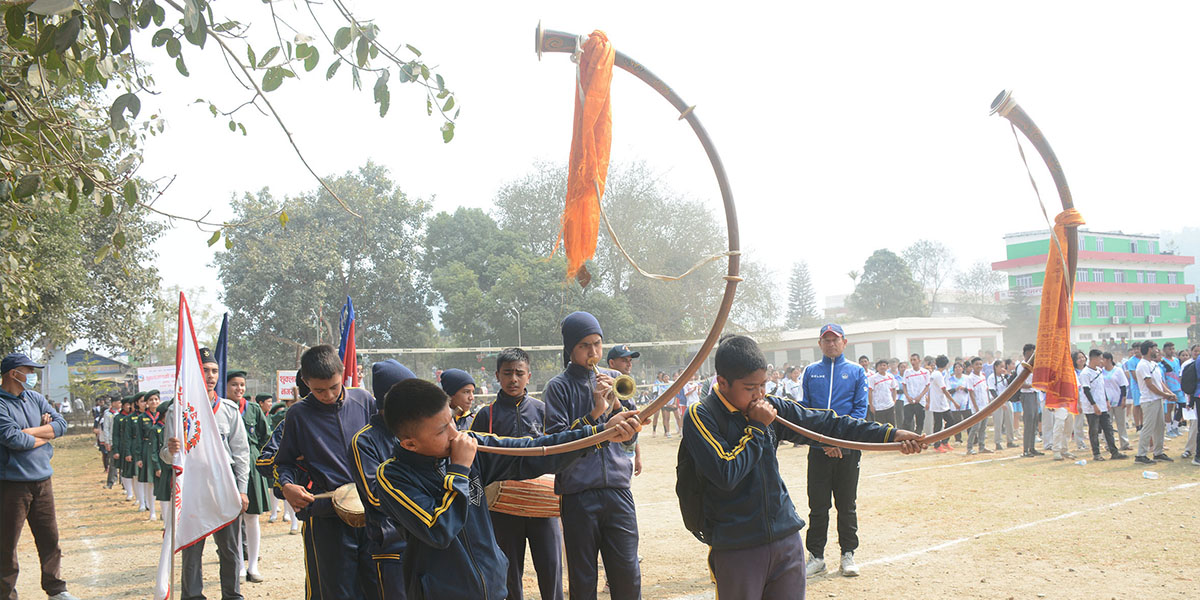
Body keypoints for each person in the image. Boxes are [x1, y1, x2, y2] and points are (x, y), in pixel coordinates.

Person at [681, 335, 923, 599]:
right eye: (750, 387)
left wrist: (889, 435)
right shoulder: (701, 415)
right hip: (738, 546)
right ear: (723, 382)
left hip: (785, 537)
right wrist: (758, 427)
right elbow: (726, 473)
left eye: (763, 385)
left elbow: (827, 425)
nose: (760, 394)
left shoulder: (770, 406)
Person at [375, 377, 640, 600]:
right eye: (442, 431)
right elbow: (439, 529)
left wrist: (601, 433)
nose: (455, 434)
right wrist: (460, 470)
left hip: (493, 589)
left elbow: (534, 451)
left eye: (452, 421)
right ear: (410, 444)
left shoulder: (471, 445)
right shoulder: (392, 476)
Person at [261, 345, 379, 597]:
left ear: (342, 373)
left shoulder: (364, 401)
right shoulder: (298, 415)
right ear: (305, 382)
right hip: (327, 518)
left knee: (377, 588)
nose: (328, 395)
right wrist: (287, 486)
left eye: (334, 387)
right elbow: (284, 463)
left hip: (372, 515)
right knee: (333, 591)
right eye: (319, 390)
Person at [543, 311, 641, 599]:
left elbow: (631, 436)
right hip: (578, 494)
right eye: (585, 345)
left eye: (597, 344)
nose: (594, 352)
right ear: (570, 348)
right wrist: (596, 413)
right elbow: (558, 442)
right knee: (583, 577)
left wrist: (616, 407)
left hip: (618, 491)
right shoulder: (558, 387)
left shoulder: (615, 379)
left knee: (627, 572)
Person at [470, 348, 565, 600]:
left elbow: (557, 453)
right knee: (508, 573)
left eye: (519, 373)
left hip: (543, 505)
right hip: (502, 510)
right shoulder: (484, 415)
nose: (513, 379)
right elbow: (474, 463)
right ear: (497, 376)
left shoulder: (544, 411)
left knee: (552, 569)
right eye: (508, 373)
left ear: (528, 376)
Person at [161, 347, 250, 600]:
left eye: (214, 371)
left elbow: (241, 454)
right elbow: (166, 457)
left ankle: (232, 595)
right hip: (192, 490)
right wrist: (170, 450)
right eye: (205, 371)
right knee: (191, 546)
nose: (210, 376)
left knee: (230, 549)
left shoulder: (229, 411)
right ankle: (192, 596)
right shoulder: (177, 411)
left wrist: (242, 490)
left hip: (224, 489)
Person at [0, 353, 81, 600]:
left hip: (42, 480)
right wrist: (45, 434)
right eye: (29, 371)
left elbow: (61, 425)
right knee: (6, 545)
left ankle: (56, 589)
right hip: (11, 485)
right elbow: (13, 439)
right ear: (14, 373)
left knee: (49, 539)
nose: (33, 376)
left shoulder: (34, 397)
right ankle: (6, 594)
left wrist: (33, 432)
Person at [799, 324, 869, 577]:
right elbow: (804, 411)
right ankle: (816, 556)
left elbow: (860, 410)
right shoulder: (810, 372)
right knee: (818, 505)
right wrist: (823, 443)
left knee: (846, 504)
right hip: (819, 449)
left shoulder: (856, 371)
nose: (831, 344)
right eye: (826, 340)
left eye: (835, 339)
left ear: (844, 342)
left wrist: (840, 442)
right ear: (819, 344)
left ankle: (847, 554)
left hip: (848, 449)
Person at [351, 359, 417, 600]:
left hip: (423, 541)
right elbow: (376, 496)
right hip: (391, 545)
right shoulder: (364, 441)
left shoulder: (416, 431)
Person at [226, 371, 271, 583]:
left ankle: (253, 565)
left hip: (252, 467)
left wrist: (260, 458)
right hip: (227, 467)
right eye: (234, 385)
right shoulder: (222, 409)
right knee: (233, 519)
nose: (239, 389)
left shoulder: (253, 409)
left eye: (242, 385)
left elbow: (266, 436)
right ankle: (239, 566)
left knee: (252, 517)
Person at [1079, 349, 1127, 461]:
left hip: (1103, 405)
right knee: (1094, 430)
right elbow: (1086, 390)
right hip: (1092, 407)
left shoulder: (1099, 371)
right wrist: (1094, 405)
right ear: (1093, 358)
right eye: (1100, 358)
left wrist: (1106, 401)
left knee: (1108, 429)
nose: (1101, 361)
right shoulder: (1085, 373)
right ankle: (1096, 454)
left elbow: (1102, 388)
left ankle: (1114, 452)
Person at [606, 344, 643, 477]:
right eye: (624, 360)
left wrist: (637, 455)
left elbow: (634, 423)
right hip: (611, 453)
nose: (629, 364)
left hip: (628, 451)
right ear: (611, 362)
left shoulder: (628, 386)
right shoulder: (601, 386)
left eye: (630, 361)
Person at [1134, 341, 1174, 464]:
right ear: (1149, 350)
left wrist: (1169, 393)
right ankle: (1141, 455)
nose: (1157, 351)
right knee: (1148, 428)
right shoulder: (1143, 365)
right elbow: (1149, 384)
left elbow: (1160, 382)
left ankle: (1158, 452)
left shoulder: (1154, 364)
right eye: (1155, 349)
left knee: (1160, 427)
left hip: (1158, 400)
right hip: (1149, 401)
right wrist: (1165, 395)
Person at [1017, 344, 1044, 457]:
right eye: (1031, 353)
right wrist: (1032, 385)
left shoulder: (1034, 366)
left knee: (1034, 422)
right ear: (1026, 354)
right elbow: (1020, 384)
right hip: (1026, 396)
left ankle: (1032, 448)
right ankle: (1025, 449)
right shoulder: (1021, 367)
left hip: (1034, 395)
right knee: (1028, 423)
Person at [1101, 352, 1132, 451]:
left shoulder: (1118, 371)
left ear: (1109, 359)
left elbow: (1123, 386)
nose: (1102, 362)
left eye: (1103, 359)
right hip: (1107, 402)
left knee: (1121, 423)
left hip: (1118, 401)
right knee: (1107, 424)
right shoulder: (1101, 372)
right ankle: (1108, 444)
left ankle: (1124, 443)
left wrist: (1123, 399)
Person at [928, 355, 957, 453]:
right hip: (938, 403)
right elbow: (944, 390)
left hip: (941, 402)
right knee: (938, 424)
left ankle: (944, 441)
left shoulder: (936, 374)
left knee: (950, 421)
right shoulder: (937, 375)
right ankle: (937, 445)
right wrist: (954, 402)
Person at [965, 358, 993, 455]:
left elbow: (986, 390)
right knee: (975, 428)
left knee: (983, 427)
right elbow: (971, 393)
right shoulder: (970, 378)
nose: (979, 366)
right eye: (977, 364)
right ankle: (969, 448)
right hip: (977, 407)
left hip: (985, 406)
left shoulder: (983, 376)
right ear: (972, 366)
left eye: (980, 364)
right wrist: (976, 407)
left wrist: (989, 404)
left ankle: (982, 447)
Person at [988, 360, 1015, 451]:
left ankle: (1010, 441)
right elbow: (993, 391)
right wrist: (1000, 402)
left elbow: (1011, 384)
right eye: (1001, 367)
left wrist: (1007, 374)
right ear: (996, 367)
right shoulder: (991, 378)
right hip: (997, 402)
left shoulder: (1004, 377)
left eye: (1004, 367)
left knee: (1010, 421)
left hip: (1007, 400)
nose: (1002, 369)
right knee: (998, 423)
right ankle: (998, 442)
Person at [901, 354, 929, 434]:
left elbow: (927, 386)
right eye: (911, 360)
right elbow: (904, 385)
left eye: (914, 360)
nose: (913, 362)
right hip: (908, 401)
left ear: (919, 361)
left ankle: (918, 439)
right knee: (907, 422)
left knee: (920, 422)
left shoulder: (925, 372)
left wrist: (920, 397)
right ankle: (906, 439)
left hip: (920, 401)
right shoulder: (907, 372)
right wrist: (908, 396)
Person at [866, 360, 898, 427]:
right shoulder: (873, 378)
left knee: (892, 426)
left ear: (887, 367)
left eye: (884, 365)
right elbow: (870, 392)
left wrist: (894, 401)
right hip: (878, 407)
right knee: (881, 427)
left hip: (889, 405)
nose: (882, 367)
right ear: (877, 368)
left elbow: (894, 389)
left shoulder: (890, 376)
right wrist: (871, 405)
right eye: (880, 365)